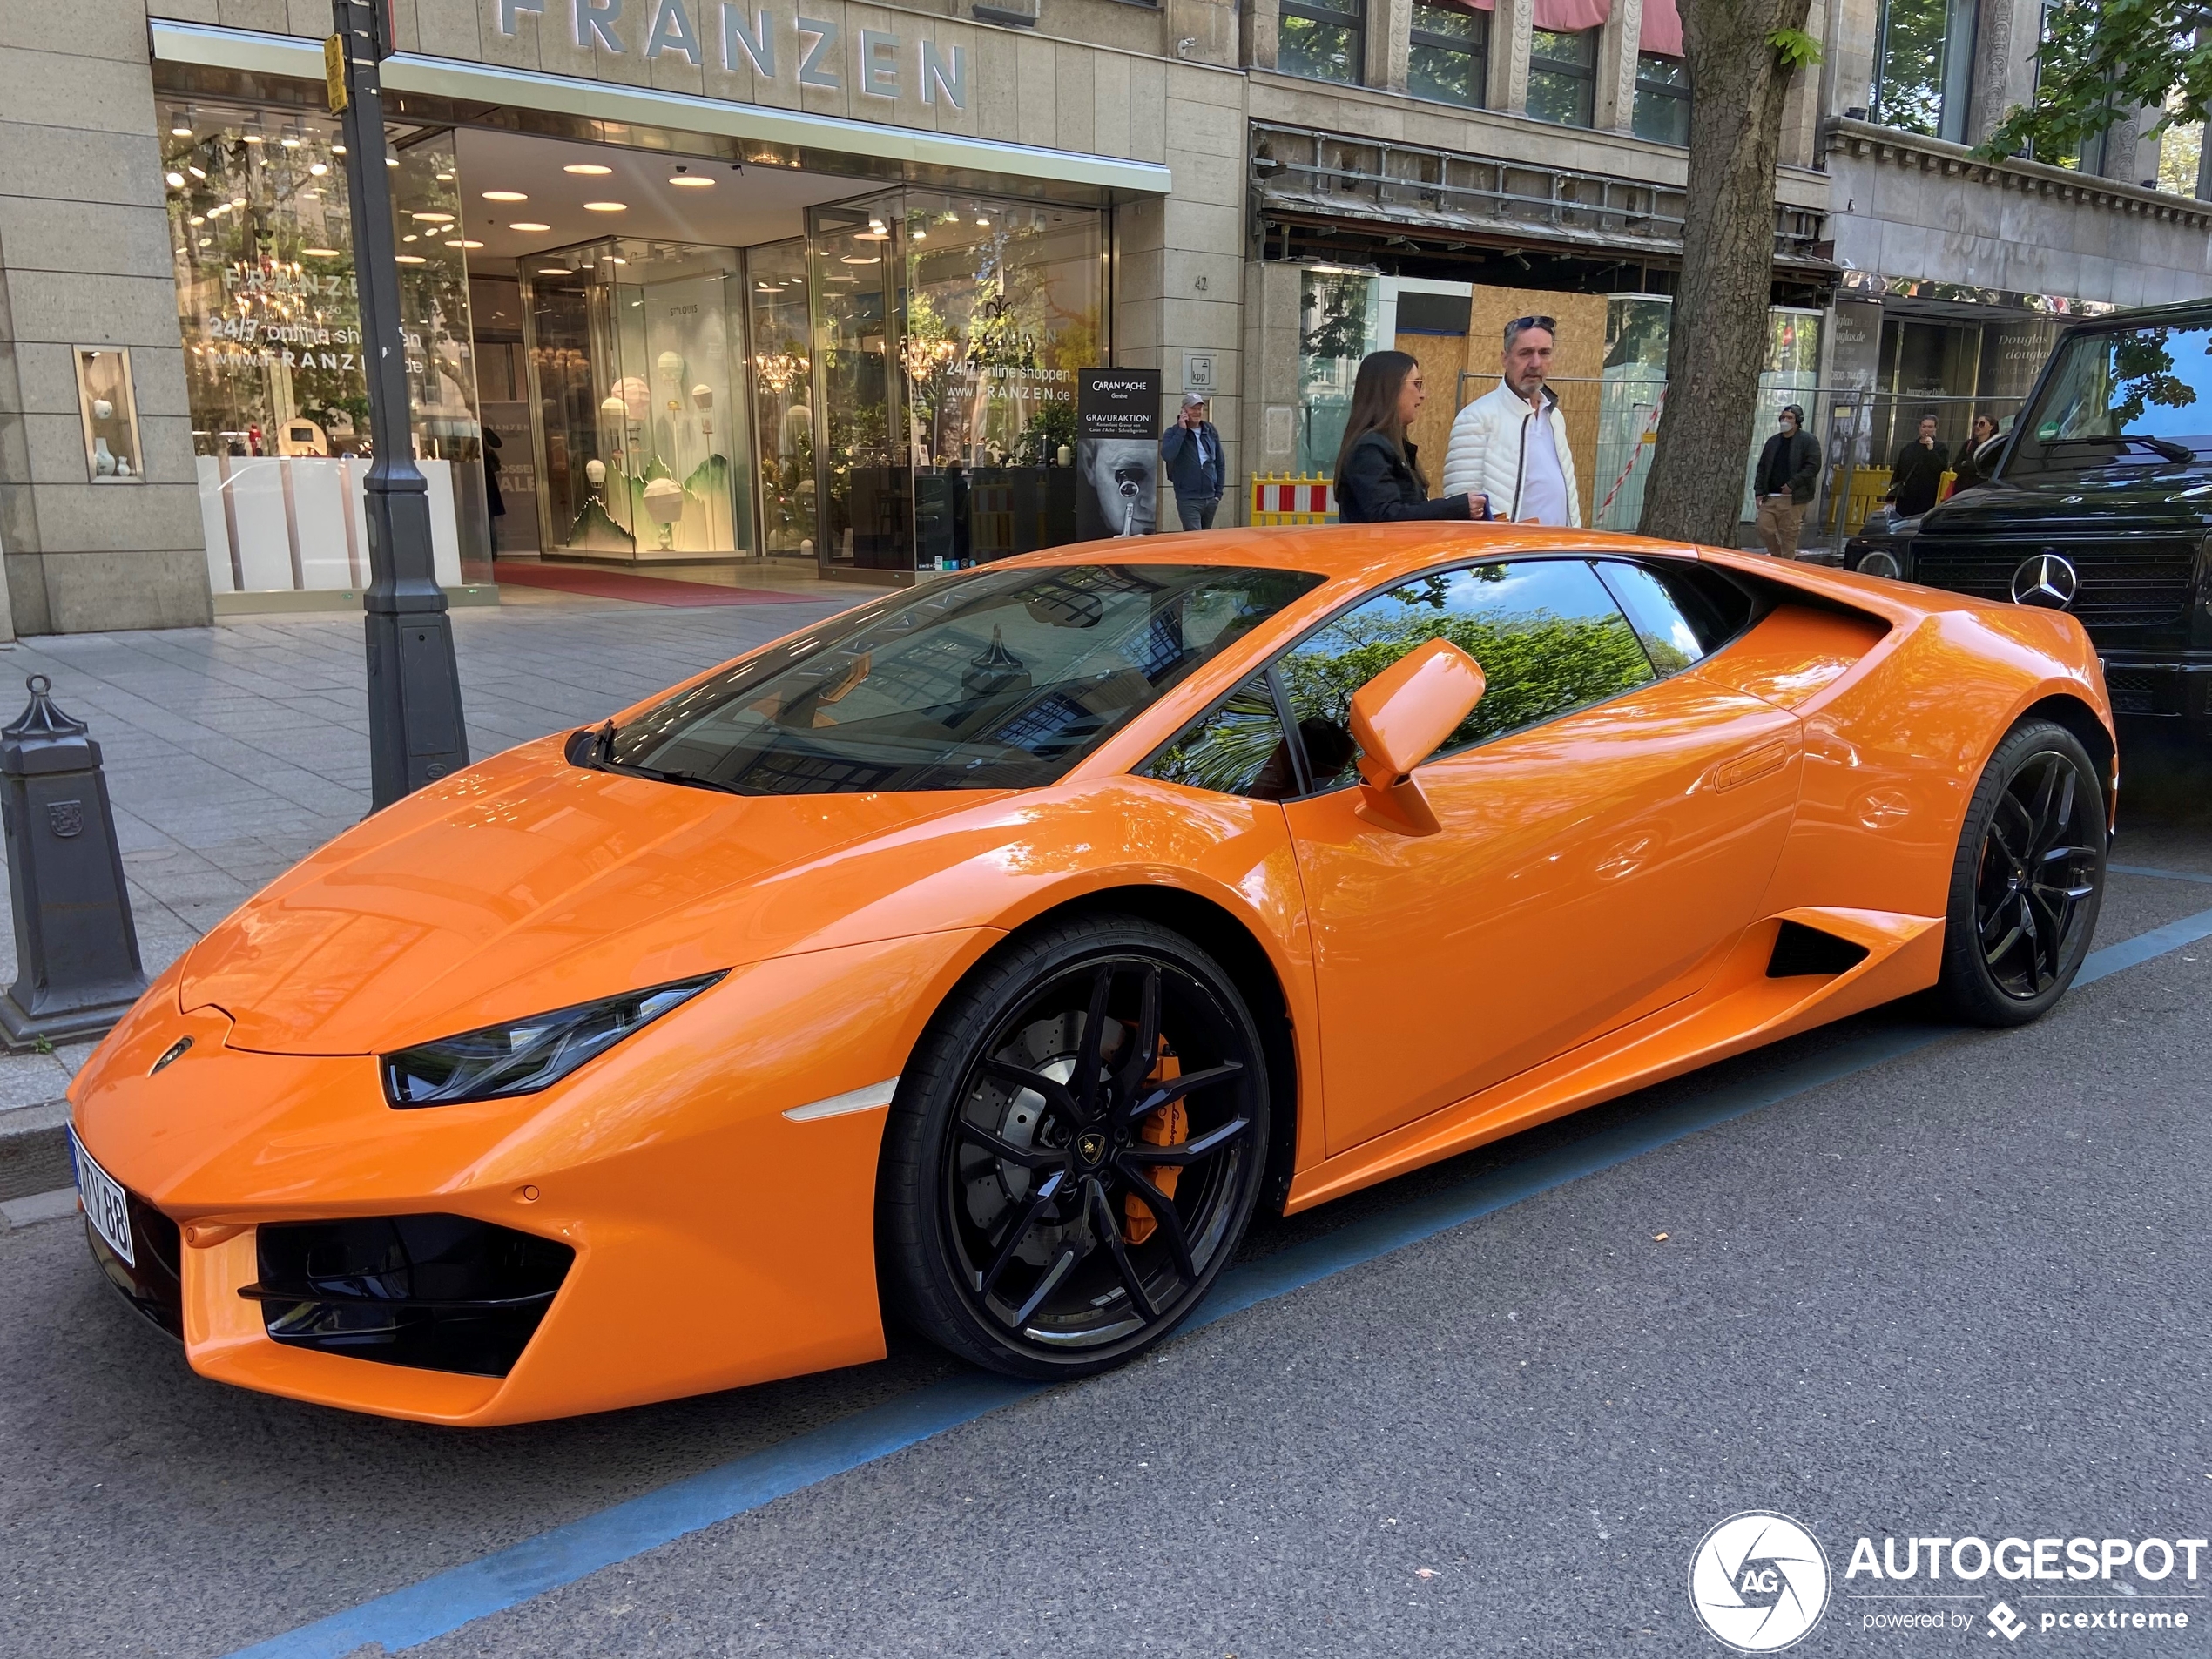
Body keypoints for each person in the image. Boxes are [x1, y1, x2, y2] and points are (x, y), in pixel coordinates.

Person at [1440, 315, 1581, 525]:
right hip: (1509, 554)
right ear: (1505, 359)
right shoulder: (1476, 418)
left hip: (1560, 550)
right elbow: (1461, 510)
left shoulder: (1554, 417)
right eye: (1525, 353)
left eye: (1544, 353)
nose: (1536, 363)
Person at [1333, 350, 1482, 523]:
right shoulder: (1370, 448)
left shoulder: (1388, 445)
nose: (1422, 394)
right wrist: (1455, 508)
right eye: (1417, 384)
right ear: (1391, 388)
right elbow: (1384, 515)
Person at [1752, 404, 1820, 558]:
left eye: (1789, 417)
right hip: (1771, 496)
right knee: (1763, 527)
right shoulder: (1773, 442)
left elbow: (1812, 466)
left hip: (1793, 499)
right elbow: (1762, 467)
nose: (1785, 420)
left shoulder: (1808, 441)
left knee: (1789, 533)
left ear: (1798, 421)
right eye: (1783, 417)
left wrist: (1792, 484)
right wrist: (1759, 491)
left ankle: (1787, 566)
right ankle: (1777, 556)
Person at [1160, 393, 1224, 531]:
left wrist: (1218, 494)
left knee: (1206, 540)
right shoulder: (1173, 432)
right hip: (1188, 499)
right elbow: (1168, 455)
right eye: (1193, 408)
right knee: (1195, 539)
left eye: (1199, 408)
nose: (1197, 412)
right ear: (1183, 411)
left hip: (1210, 498)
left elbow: (1220, 463)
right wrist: (1182, 430)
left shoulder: (1210, 431)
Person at [1885, 413, 1950, 519]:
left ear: (1935, 429)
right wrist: (1891, 497)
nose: (1926, 430)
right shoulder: (1909, 448)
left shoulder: (1940, 448)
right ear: (1919, 428)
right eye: (1924, 426)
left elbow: (1940, 467)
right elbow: (1899, 472)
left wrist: (1931, 450)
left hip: (1927, 497)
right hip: (1906, 496)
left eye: (1930, 427)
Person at [1949, 413, 2002, 494]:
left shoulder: (1995, 447)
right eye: (1976, 423)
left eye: (1982, 424)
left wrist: (1967, 466)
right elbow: (1956, 466)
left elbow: (1991, 469)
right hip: (1961, 489)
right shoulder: (1969, 444)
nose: (1977, 426)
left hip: (1981, 490)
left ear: (1991, 427)